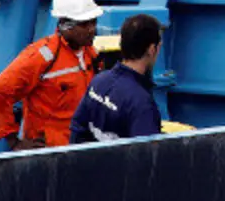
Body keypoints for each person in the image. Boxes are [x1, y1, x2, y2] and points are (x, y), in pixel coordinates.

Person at [0, 0, 102, 150]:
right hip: (51, 153)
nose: (92, 29)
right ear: (64, 25)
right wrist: (14, 142)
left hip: (82, 148)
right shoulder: (41, 58)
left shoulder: (91, 54)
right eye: (84, 24)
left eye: (93, 22)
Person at [70, 13, 163, 143]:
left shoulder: (98, 81)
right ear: (152, 49)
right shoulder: (141, 104)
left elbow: (77, 128)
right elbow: (147, 156)